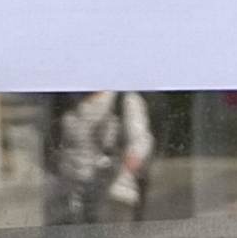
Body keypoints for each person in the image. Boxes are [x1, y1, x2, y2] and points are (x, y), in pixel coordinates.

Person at [45, 91, 155, 224]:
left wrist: (121, 168)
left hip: (112, 196)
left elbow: (140, 143)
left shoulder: (124, 100)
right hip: (71, 196)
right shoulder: (66, 101)